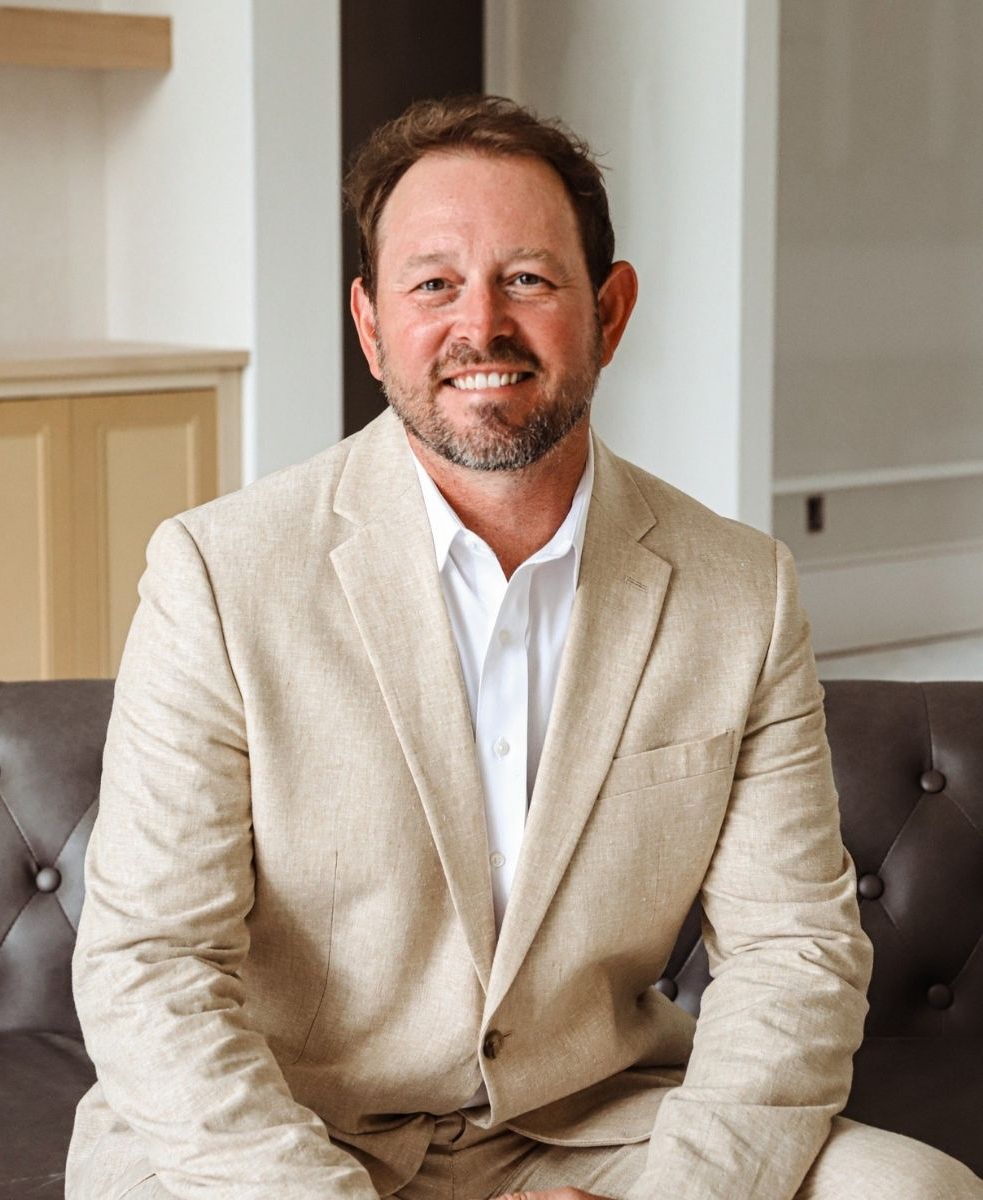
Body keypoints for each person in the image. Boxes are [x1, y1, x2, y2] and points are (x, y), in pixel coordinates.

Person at [66, 95, 981, 1200]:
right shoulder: (217, 573)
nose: (481, 326)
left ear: (610, 310)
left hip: (589, 1124)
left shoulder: (740, 589)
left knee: (915, 1192)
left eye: (529, 279)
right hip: (286, 1132)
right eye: (433, 284)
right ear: (370, 326)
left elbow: (793, 953)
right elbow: (150, 962)